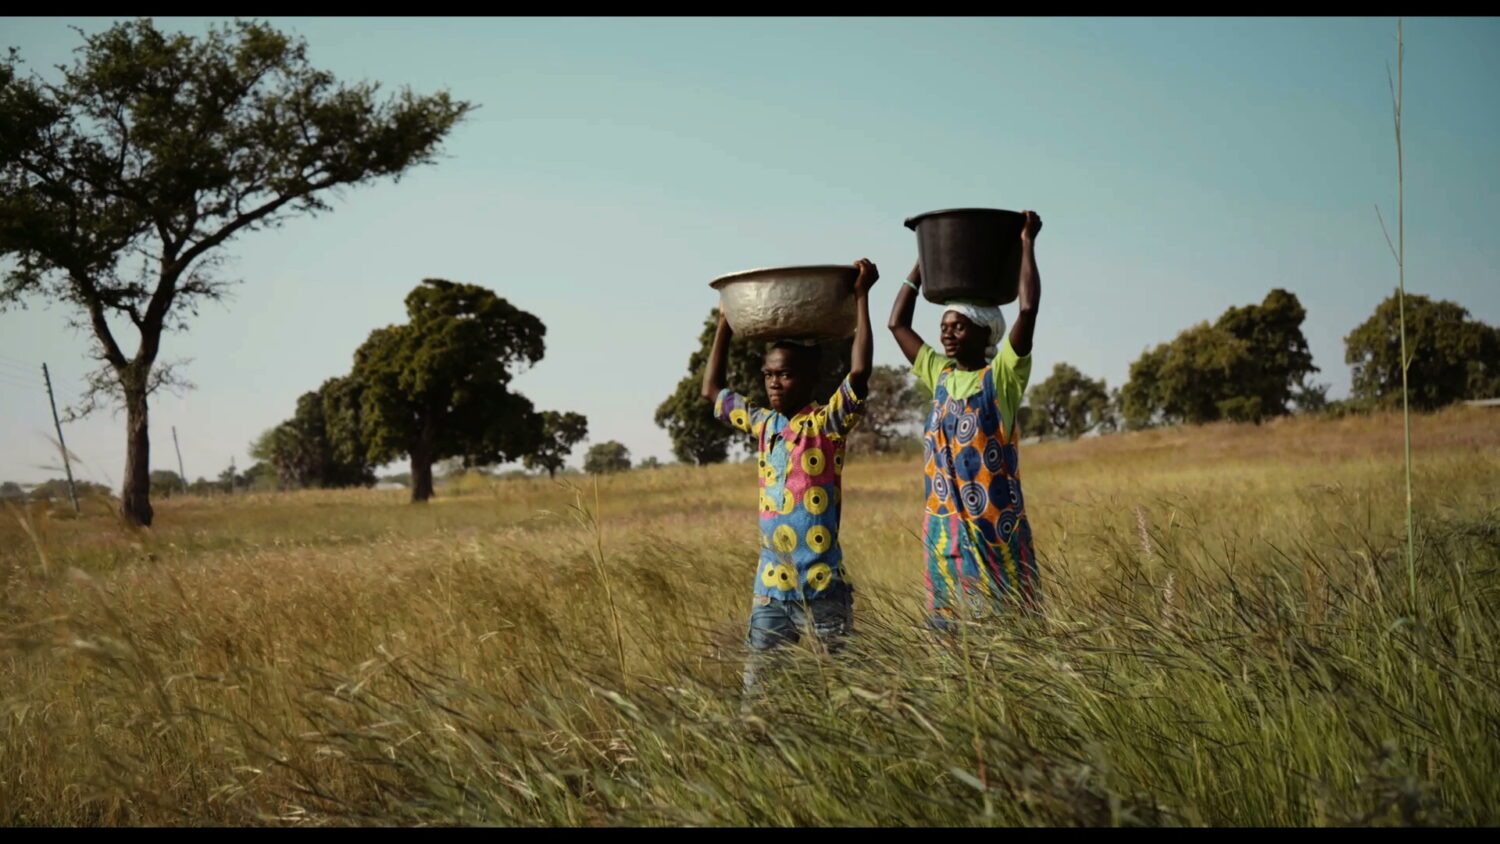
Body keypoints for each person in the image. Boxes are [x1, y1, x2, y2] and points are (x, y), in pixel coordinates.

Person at [702, 259, 878, 706]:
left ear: (811, 378)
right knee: (757, 693)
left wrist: (862, 297)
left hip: (821, 586)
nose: (774, 383)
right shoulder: (764, 426)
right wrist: (725, 321)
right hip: (771, 588)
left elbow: (858, 375)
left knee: (844, 690)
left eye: (785, 374)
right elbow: (712, 391)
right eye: (768, 375)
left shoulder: (825, 425)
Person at [887, 211, 1042, 633]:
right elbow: (896, 323)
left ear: (985, 333)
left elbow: (1027, 309)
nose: (947, 334)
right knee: (950, 646)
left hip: (995, 534)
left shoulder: (1003, 377)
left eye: (958, 326)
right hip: (945, 536)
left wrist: (1027, 243)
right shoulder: (940, 375)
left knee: (1009, 641)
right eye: (944, 327)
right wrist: (924, 261)